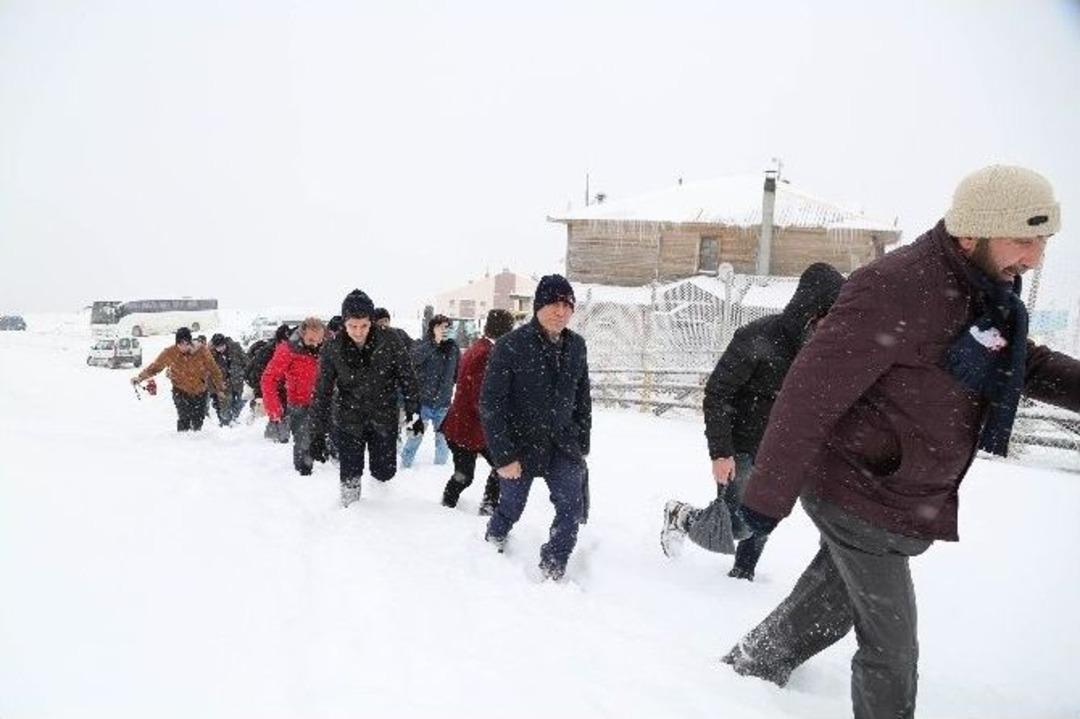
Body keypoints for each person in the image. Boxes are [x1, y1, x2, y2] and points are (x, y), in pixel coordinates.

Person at [719, 166, 1080, 719]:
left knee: (832, 603)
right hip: (858, 489)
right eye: (1023, 240)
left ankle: (751, 665)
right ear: (971, 233)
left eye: (1043, 242)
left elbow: (1019, 361)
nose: (1034, 258)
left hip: (901, 493)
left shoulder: (986, 291)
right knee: (892, 647)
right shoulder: (896, 286)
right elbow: (807, 394)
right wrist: (766, 500)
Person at [660, 263, 845, 580]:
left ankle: (743, 574)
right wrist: (721, 452)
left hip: (782, 452)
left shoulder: (823, 354)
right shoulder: (757, 338)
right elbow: (718, 393)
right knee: (738, 524)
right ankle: (681, 516)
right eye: (830, 314)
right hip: (741, 447)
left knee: (764, 517)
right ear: (811, 309)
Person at [481, 274, 591, 581]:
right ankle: (495, 537)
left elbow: (583, 397)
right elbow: (491, 404)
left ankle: (554, 565)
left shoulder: (577, 346)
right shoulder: (510, 346)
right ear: (539, 306)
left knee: (571, 510)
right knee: (511, 506)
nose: (561, 312)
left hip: (563, 445)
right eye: (555, 304)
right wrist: (503, 456)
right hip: (520, 447)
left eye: (568, 305)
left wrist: (582, 443)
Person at [310, 289, 420, 507]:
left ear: (371, 321)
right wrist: (317, 433)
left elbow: (407, 377)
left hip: (383, 415)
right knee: (350, 471)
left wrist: (413, 412)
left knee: (384, 471)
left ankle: (381, 505)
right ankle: (350, 511)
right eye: (352, 326)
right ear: (344, 323)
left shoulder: (390, 340)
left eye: (364, 326)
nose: (358, 332)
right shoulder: (333, 348)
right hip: (349, 418)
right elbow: (322, 392)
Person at [439, 309, 515, 515]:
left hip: (465, 426)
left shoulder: (480, 347)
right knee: (472, 473)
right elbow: (480, 398)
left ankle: (484, 504)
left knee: (500, 465)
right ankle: (449, 506)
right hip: (467, 429)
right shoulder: (486, 354)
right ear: (506, 332)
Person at [261, 317, 326, 476]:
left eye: (319, 340)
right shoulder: (288, 350)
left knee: (328, 442)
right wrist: (274, 408)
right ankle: (303, 476)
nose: (316, 344)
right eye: (311, 340)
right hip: (299, 404)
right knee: (304, 444)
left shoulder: (328, 347)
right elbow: (268, 379)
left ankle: (327, 471)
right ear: (302, 334)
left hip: (324, 402)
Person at [131, 327, 226, 432]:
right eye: (180, 344)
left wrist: (220, 388)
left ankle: (196, 443)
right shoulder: (170, 352)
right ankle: (181, 442)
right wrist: (140, 378)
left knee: (198, 421)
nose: (183, 347)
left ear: (190, 343)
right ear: (177, 344)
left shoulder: (202, 351)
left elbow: (214, 370)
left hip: (200, 391)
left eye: (186, 344)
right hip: (180, 391)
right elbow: (155, 367)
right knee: (184, 418)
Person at [400, 314, 460, 468]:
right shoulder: (422, 344)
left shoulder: (453, 349)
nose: (444, 330)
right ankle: (405, 466)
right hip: (423, 403)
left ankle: (438, 470)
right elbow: (413, 360)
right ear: (432, 329)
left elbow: (457, 373)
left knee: (443, 439)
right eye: (440, 327)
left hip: (443, 403)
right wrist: (434, 343)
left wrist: (448, 388)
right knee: (415, 436)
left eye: (447, 327)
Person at [246, 323, 292, 441]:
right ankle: (276, 437)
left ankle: (279, 436)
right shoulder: (266, 353)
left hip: (283, 386)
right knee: (276, 410)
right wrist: (260, 393)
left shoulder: (290, 350)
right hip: (267, 386)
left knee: (283, 411)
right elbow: (258, 375)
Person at [210, 333, 248, 426]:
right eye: (218, 347)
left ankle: (235, 417)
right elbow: (209, 374)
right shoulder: (212, 355)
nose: (220, 349)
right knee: (224, 406)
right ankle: (225, 423)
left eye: (222, 346)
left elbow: (246, 361)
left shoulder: (235, 348)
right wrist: (214, 390)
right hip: (224, 384)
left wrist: (245, 374)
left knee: (240, 401)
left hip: (238, 380)